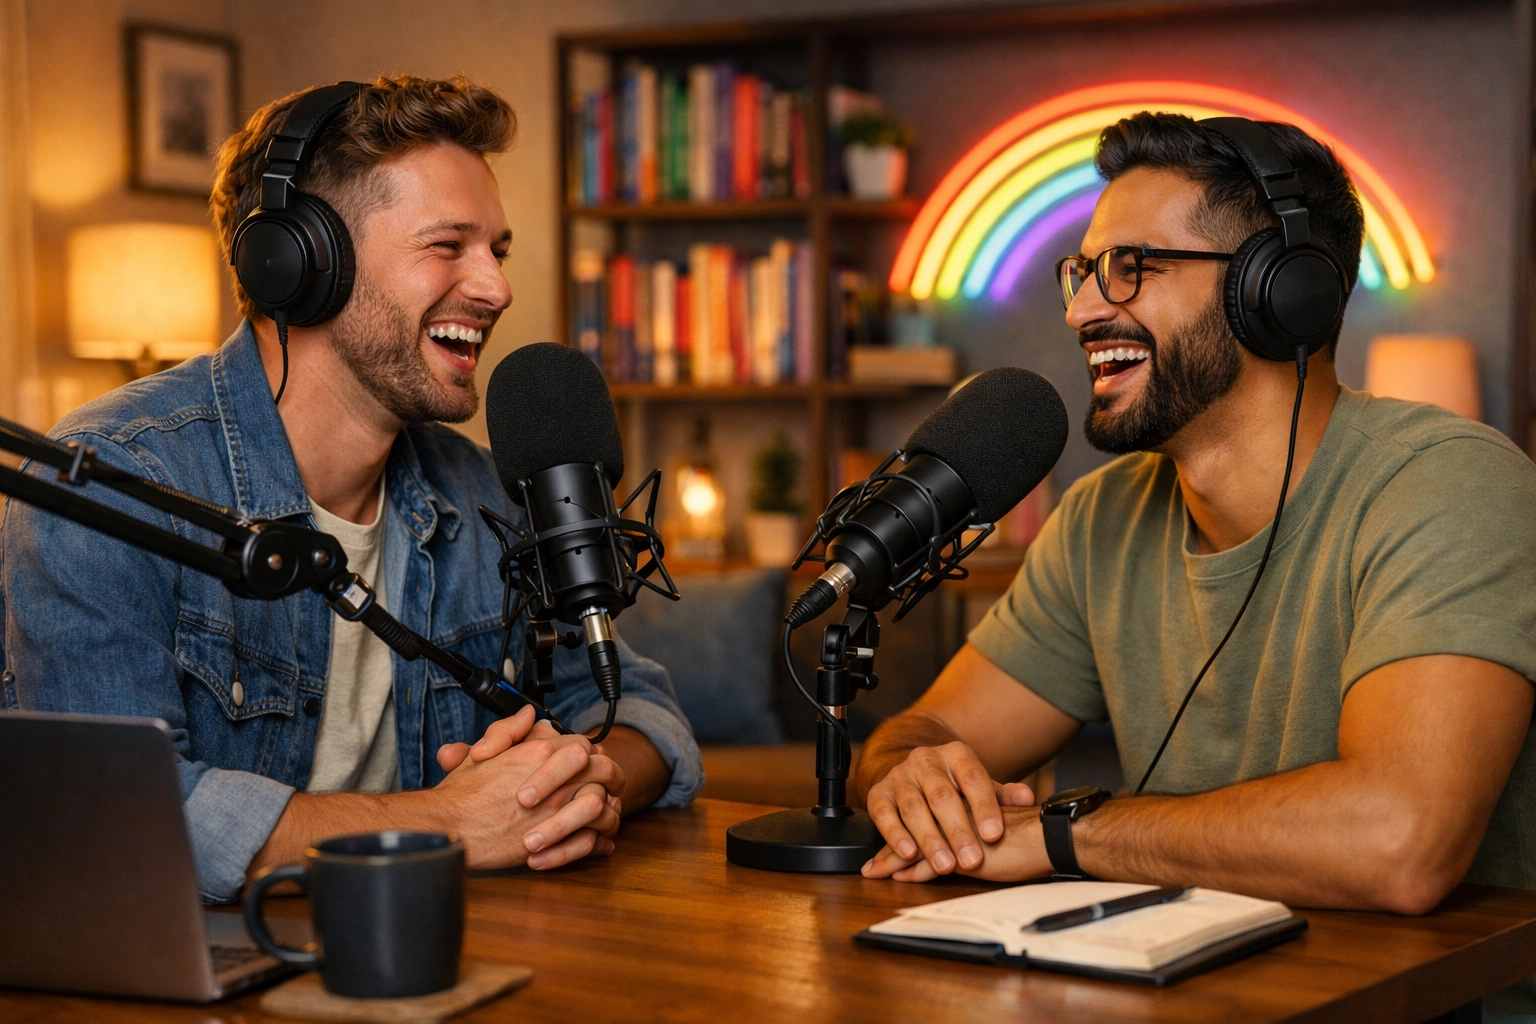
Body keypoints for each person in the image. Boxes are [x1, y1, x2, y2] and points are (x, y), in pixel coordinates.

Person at [854, 113, 1536, 1012]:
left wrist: (1064, 834)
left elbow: (1401, 841)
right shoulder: (1101, 518)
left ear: (1277, 290)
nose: (1082, 309)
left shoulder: (1449, 484)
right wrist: (914, 778)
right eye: (1082, 272)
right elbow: (921, 734)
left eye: (1131, 268)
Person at [0, 75, 702, 903]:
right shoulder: (112, 486)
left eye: (498, 251)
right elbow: (113, 817)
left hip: (436, 955)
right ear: (300, 263)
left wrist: (573, 790)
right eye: (449, 246)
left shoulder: (481, 491)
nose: (497, 289)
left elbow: (638, 709)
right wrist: (445, 824)